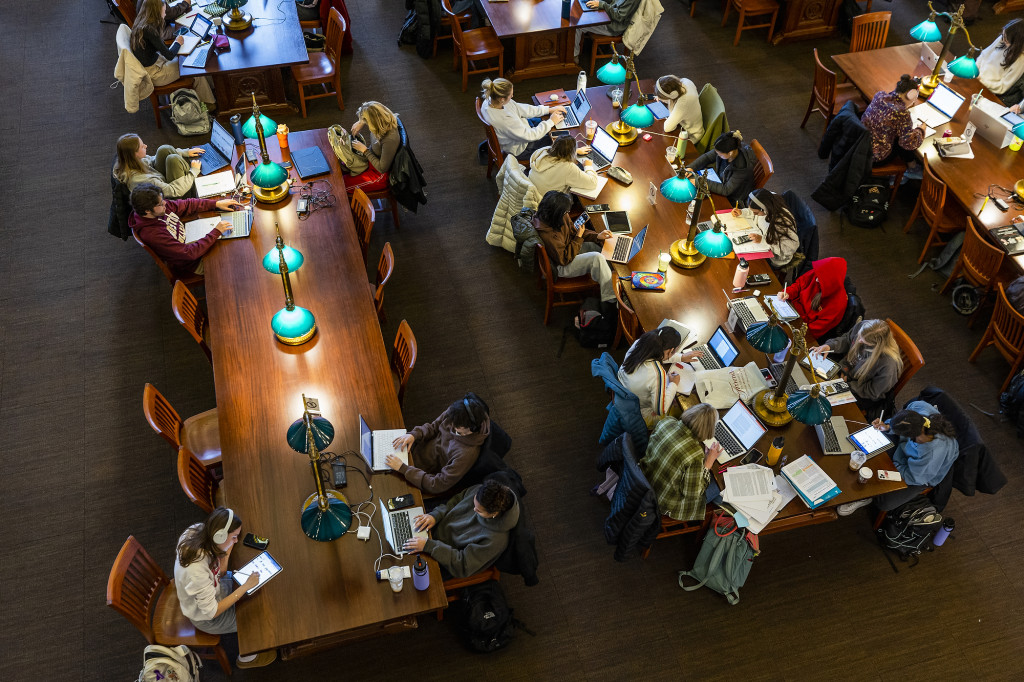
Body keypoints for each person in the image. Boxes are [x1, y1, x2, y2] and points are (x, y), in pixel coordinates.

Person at [173, 507, 276, 668]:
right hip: (207, 617)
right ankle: (246, 658)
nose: (236, 540)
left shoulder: (196, 530)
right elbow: (212, 611)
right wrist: (245, 587)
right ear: (219, 536)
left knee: (254, 595)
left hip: (214, 588)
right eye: (234, 537)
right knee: (256, 617)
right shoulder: (196, 572)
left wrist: (227, 549)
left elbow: (219, 572)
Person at [837, 403, 959, 515]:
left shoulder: (931, 452)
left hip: (920, 475)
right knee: (871, 452)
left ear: (911, 437)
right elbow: (898, 422)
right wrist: (887, 427)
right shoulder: (919, 408)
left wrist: (891, 465)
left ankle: (867, 497)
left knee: (885, 502)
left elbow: (914, 477)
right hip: (904, 455)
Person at [404, 480, 519, 578]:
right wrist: (435, 515)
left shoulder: (495, 541)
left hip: (442, 559)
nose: (474, 510)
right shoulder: (478, 490)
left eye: (478, 511)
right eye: (474, 502)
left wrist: (428, 546)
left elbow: (462, 566)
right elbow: (452, 503)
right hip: (432, 531)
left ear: (493, 514)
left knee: (403, 569)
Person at [129, 183, 246, 279]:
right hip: (193, 262)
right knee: (237, 258)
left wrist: (216, 204)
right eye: (160, 204)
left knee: (236, 243)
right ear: (147, 211)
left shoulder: (159, 209)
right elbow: (189, 254)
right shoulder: (153, 234)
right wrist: (215, 232)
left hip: (192, 239)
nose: (165, 203)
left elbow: (187, 204)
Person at [386, 392, 492, 495]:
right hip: (414, 449)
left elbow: (437, 484)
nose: (452, 427)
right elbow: (433, 427)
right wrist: (414, 434)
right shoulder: (455, 413)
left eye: (458, 430)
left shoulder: (466, 454)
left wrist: (403, 469)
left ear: (472, 429)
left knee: (383, 485)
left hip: (418, 473)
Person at [639, 403, 722, 521]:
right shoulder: (695, 455)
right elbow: (692, 495)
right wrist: (708, 463)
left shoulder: (667, 422)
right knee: (721, 486)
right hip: (663, 502)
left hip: (644, 478)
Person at [532, 190, 615, 303]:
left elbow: (573, 230)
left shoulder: (556, 216)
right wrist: (579, 236)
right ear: (557, 213)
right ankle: (611, 298)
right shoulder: (548, 235)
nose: (567, 213)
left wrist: (597, 236)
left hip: (566, 249)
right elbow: (564, 259)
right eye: (565, 211)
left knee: (595, 247)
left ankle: (610, 279)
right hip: (561, 265)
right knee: (597, 258)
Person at [130, 0, 215, 107]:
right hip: (156, 74)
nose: (165, 15)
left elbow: (161, 49)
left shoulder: (141, 22)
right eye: (164, 11)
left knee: (188, 61)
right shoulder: (150, 31)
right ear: (156, 12)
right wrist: (178, 43)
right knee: (192, 69)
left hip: (153, 63)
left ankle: (210, 89)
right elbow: (169, 55)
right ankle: (209, 103)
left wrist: (176, 44)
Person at [811, 319, 903, 416]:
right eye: (860, 336)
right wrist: (830, 346)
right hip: (846, 373)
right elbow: (847, 340)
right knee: (813, 381)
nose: (858, 340)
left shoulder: (888, 364)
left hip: (862, 392)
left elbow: (873, 391)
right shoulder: (863, 326)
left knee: (824, 407)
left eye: (863, 340)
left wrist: (848, 385)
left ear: (875, 345)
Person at [617, 327, 704, 426]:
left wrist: (681, 357)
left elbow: (658, 355)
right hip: (637, 412)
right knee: (681, 413)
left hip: (621, 393)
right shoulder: (657, 374)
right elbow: (661, 410)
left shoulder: (640, 343)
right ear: (671, 350)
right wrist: (673, 384)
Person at [480, 78, 565, 161]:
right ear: (502, 99)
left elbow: (521, 109)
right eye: (511, 95)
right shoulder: (504, 120)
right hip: (522, 148)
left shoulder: (489, 100)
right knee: (560, 141)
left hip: (521, 129)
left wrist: (548, 110)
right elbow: (530, 136)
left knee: (552, 124)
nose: (512, 96)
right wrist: (551, 121)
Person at [861, 74, 926, 167]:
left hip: (861, 143)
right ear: (911, 95)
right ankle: (912, 167)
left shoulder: (880, 95)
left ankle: (911, 163)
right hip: (874, 157)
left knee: (899, 133)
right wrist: (921, 130)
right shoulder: (902, 113)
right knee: (905, 141)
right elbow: (908, 144)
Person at [776, 257, 849, 340]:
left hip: (800, 328)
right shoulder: (818, 274)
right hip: (790, 310)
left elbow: (812, 331)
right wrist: (788, 292)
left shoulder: (838, 305)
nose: (816, 280)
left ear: (829, 283)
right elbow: (799, 285)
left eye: (821, 279)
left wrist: (792, 330)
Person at [113, 134, 205, 197]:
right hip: (171, 198)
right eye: (142, 146)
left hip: (161, 183)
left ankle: (187, 176)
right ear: (134, 154)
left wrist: (185, 152)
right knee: (174, 160)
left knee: (164, 149)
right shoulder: (141, 180)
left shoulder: (129, 161)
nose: (146, 146)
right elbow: (173, 191)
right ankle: (194, 186)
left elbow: (152, 159)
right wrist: (193, 172)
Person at [731, 188, 800, 269]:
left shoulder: (782, 223)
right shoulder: (767, 202)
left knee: (743, 265)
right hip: (760, 237)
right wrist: (742, 212)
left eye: (756, 213)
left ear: (765, 210)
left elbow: (790, 248)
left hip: (775, 257)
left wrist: (764, 241)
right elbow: (754, 211)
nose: (754, 214)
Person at [344, 101, 401, 194]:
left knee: (342, 187)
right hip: (371, 161)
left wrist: (365, 151)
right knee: (341, 168)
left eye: (367, 122)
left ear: (374, 122)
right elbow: (371, 108)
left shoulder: (390, 140)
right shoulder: (383, 121)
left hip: (379, 175)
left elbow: (382, 169)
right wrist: (361, 122)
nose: (367, 126)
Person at [688, 130, 756, 205]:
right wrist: (691, 167)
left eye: (719, 154)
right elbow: (707, 157)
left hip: (733, 197)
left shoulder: (742, 166)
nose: (717, 154)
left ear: (730, 153)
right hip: (721, 181)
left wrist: (700, 181)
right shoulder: (729, 147)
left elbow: (726, 190)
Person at [528, 135, 598, 197]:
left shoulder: (543, 151)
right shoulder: (567, 168)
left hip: (531, 192)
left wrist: (574, 151)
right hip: (546, 201)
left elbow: (559, 151)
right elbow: (592, 183)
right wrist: (588, 166)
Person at [574, 0, 642, 60]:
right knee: (580, 13)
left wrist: (602, 4)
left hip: (613, 26)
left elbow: (619, 16)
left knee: (578, 25)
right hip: (608, 15)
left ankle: (573, 57)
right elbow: (612, 2)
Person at [979, 19, 1024, 107]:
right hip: (976, 76)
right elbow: (984, 54)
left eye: (1006, 40)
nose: (1003, 39)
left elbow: (1002, 87)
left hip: (987, 89)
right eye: (1003, 35)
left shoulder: (1020, 61)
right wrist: (975, 69)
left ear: (1016, 44)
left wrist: (981, 81)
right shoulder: (1003, 38)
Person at [657, 74, 704, 142]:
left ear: (673, 95)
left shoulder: (683, 103)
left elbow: (667, 128)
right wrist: (663, 98)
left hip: (690, 136)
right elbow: (676, 99)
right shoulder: (686, 81)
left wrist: (666, 99)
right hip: (684, 126)